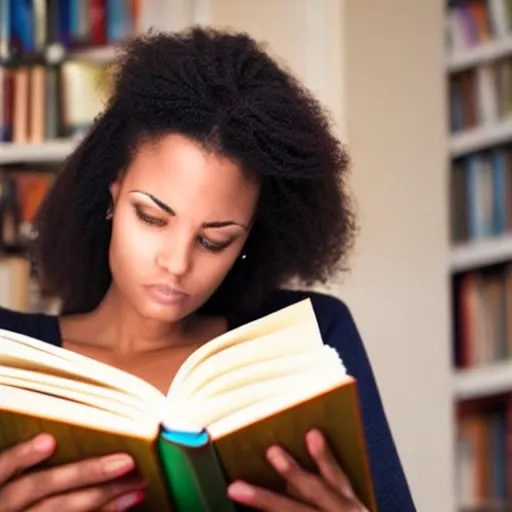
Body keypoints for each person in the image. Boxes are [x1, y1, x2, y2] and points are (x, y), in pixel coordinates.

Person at [0, 27, 416, 511]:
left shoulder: (313, 336)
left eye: (215, 239)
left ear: (250, 237)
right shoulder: (10, 352)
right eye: (152, 217)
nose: (177, 264)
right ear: (112, 193)